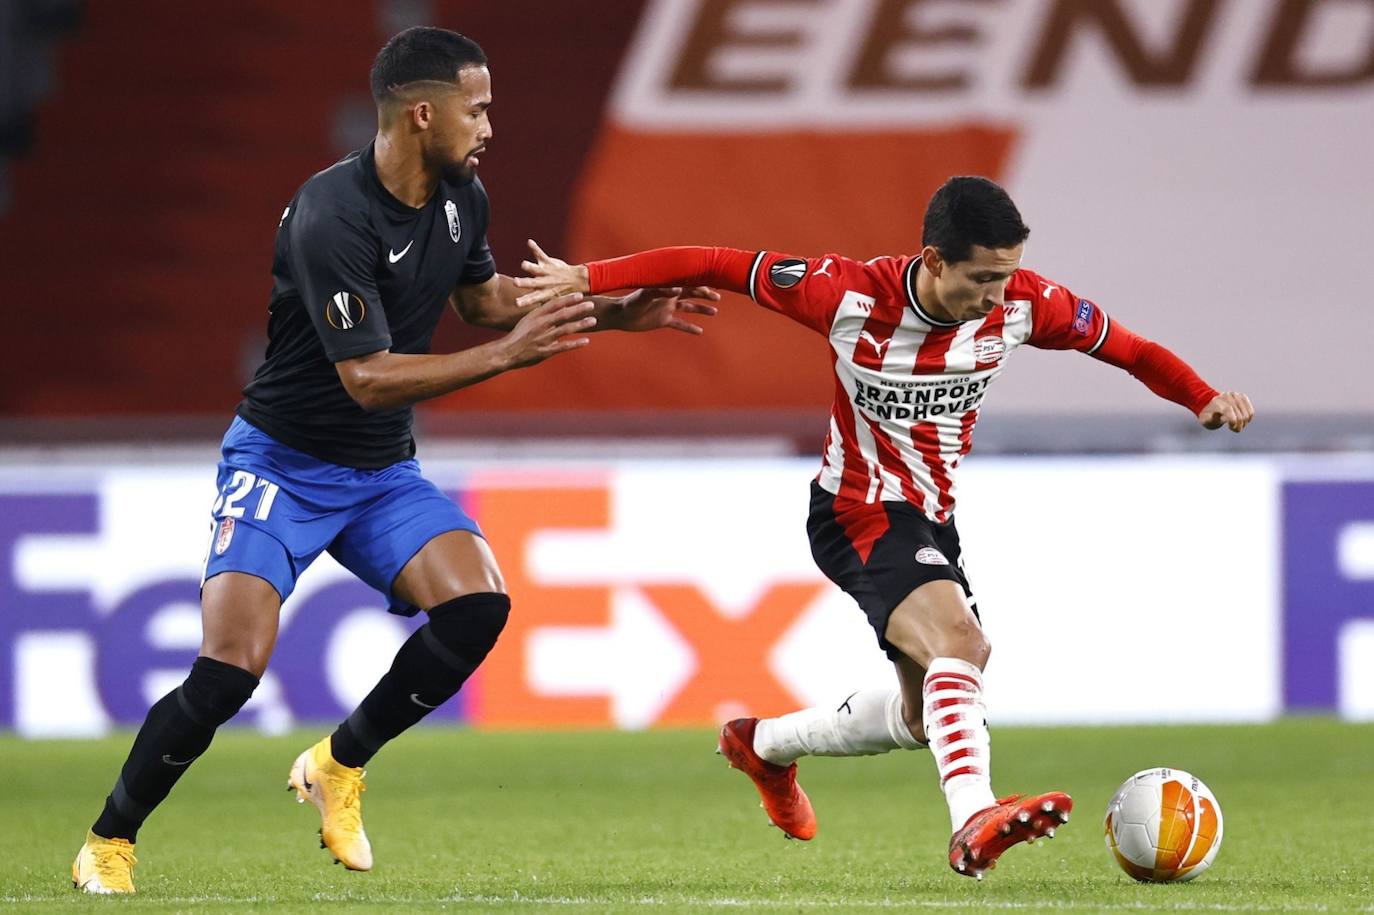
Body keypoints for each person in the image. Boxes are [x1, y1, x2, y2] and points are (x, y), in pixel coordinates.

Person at [70, 26, 718, 895]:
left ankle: (338, 763)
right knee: (229, 669)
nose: (488, 127)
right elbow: (368, 378)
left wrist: (613, 312)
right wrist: (508, 357)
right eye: (475, 110)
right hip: (281, 466)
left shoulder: (461, 196)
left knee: (477, 606)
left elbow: (484, 300)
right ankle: (109, 839)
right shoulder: (331, 216)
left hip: (379, 474)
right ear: (422, 114)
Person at [513, 175, 1255, 879]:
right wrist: (586, 278)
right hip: (858, 510)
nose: (997, 295)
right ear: (933, 260)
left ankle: (761, 744)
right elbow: (713, 260)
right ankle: (973, 817)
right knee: (964, 645)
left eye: (1006, 276)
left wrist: (1201, 396)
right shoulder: (846, 294)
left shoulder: (1028, 304)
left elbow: (1129, 349)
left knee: (926, 716)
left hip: (932, 520)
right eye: (982, 278)